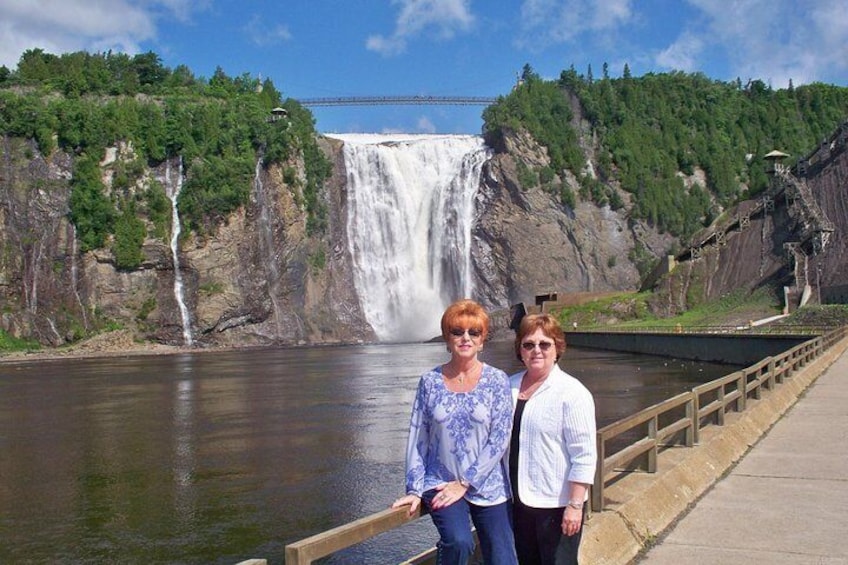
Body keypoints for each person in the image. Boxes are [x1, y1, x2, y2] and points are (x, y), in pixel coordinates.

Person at [392, 299, 518, 564]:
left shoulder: (497, 380)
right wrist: (414, 490)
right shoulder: (429, 382)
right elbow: (418, 438)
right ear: (447, 338)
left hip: (488, 483)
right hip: (441, 481)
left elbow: (500, 438)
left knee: (503, 558)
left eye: (474, 332)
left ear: (483, 340)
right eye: (457, 331)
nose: (465, 338)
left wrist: (466, 482)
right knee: (459, 542)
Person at [508, 313, 597, 565]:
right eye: (528, 344)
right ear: (520, 350)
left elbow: (585, 455)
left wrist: (575, 505)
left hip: (557, 505)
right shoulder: (508, 387)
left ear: (557, 348)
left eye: (544, 344)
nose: (536, 350)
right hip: (518, 504)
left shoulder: (572, 392)